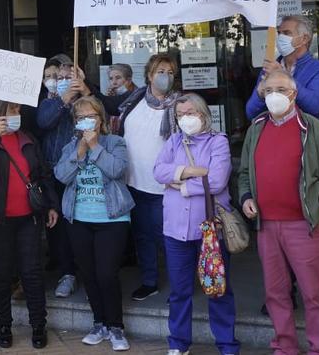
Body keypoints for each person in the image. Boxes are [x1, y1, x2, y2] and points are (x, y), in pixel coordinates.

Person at [238, 70, 319, 355]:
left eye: (281, 89)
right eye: (268, 89)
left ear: (294, 94)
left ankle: (318, 349)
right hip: (267, 226)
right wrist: (246, 196)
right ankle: (285, 346)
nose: (274, 95)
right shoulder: (256, 128)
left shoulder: (313, 129)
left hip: (303, 225)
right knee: (275, 292)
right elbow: (245, 173)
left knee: (313, 293)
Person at [245, 15, 319, 319]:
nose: (281, 38)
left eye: (286, 33)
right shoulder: (270, 69)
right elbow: (251, 109)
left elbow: (313, 103)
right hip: (276, 148)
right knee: (278, 246)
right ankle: (284, 296)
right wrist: (267, 85)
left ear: (304, 39)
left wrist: (286, 80)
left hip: (308, 157)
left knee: (317, 239)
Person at [153, 93, 238, 355]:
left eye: (190, 113)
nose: (185, 119)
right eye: (180, 115)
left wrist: (180, 184)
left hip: (210, 230)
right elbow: (158, 171)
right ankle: (178, 343)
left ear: (203, 114)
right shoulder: (174, 141)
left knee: (218, 289)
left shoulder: (218, 141)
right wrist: (193, 172)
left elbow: (217, 181)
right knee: (179, 291)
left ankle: (226, 344)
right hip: (176, 231)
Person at [54, 95, 133, 351]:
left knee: (106, 274)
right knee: (88, 274)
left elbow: (117, 170)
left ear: (100, 119)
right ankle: (99, 323)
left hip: (111, 218)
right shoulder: (70, 146)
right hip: (79, 219)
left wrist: (95, 147)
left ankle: (116, 327)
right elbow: (62, 175)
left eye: (91, 116)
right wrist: (79, 152)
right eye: (80, 118)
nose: (86, 122)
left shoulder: (115, 142)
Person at [0, 97, 59, 349]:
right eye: (12, 109)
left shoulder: (27, 138)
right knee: (0, 275)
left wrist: (50, 204)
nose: (18, 113)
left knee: (32, 273)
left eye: (18, 109)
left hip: (29, 217)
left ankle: (39, 325)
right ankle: (3, 325)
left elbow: (42, 174)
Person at [112, 54, 181, 302]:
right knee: (143, 236)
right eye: (161, 71)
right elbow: (111, 112)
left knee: (167, 237)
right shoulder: (135, 99)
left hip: (165, 186)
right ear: (150, 75)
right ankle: (149, 281)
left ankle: (179, 284)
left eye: (171, 72)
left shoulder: (179, 105)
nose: (166, 76)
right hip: (134, 182)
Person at [37, 55, 94, 299]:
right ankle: (67, 272)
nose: (60, 82)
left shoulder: (86, 101)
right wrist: (64, 100)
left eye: (66, 78)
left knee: (79, 225)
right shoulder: (49, 104)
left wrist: (85, 92)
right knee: (57, 227)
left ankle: (86, 269)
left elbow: (102, 119)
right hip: (53, 173)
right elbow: (44, 122)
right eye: (56, 78)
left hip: (83, 172)